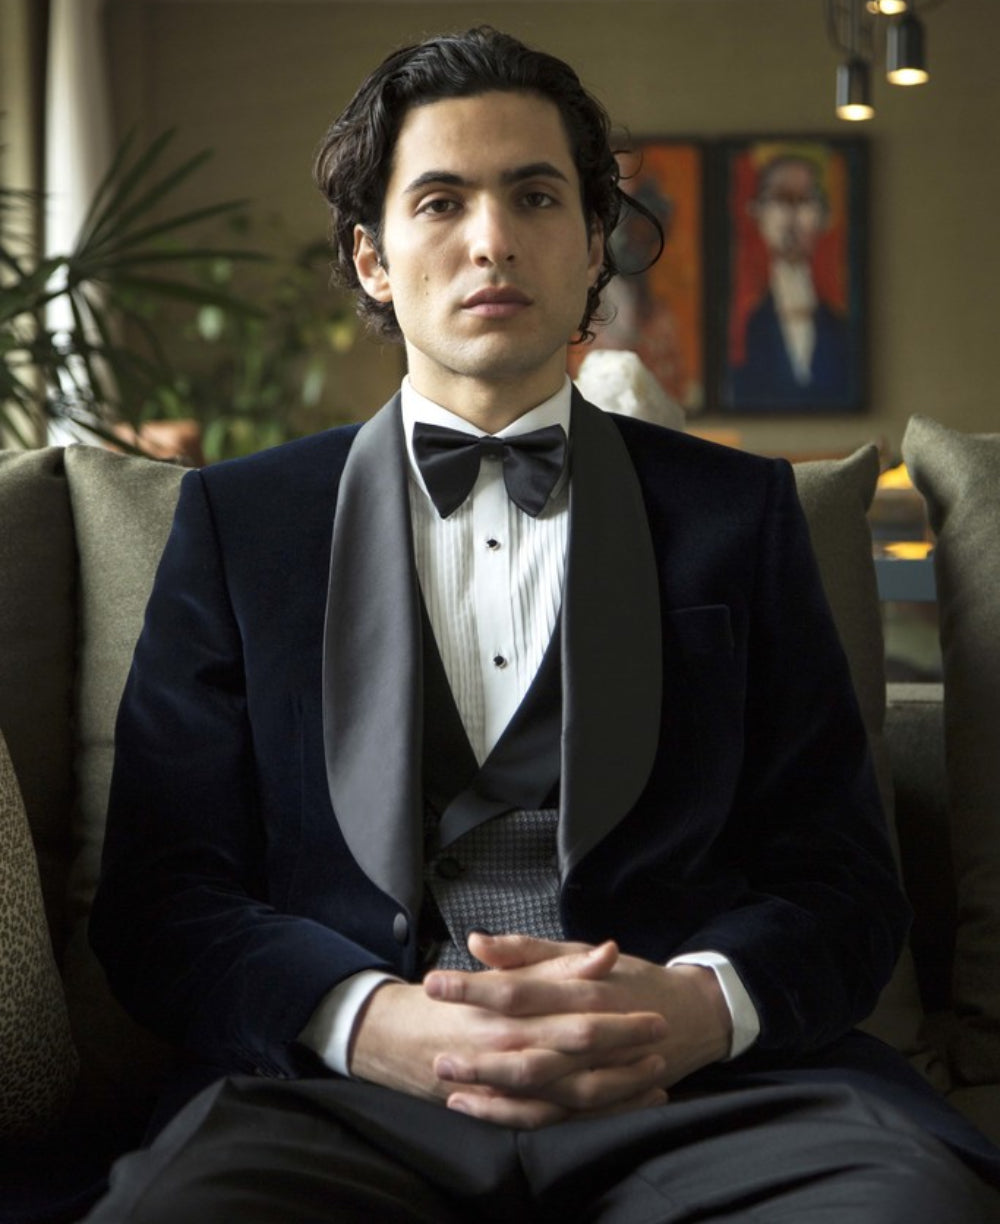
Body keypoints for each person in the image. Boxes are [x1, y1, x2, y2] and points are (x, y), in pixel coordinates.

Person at [85, 26, 1000, 1223]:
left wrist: (693, 1008)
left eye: (534, 195)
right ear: (371, 258)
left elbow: (840, 881)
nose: (491, 239)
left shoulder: (743, 515)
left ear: (591, 244)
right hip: (332, 1096)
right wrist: (370, 1023)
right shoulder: (236, 524)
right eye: (439, 200)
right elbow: (161, 897)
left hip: (714, 1098)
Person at [728, 151, 852, 410]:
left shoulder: (840, 326)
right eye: (780, 199)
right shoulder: (746, 320)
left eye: (804, 200)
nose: (792, 215)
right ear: (757, 211)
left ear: (824, 215)